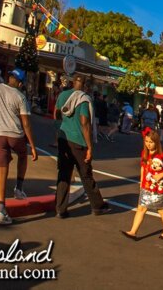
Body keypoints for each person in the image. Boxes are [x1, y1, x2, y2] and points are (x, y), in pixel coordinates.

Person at [0, 68, 38, 225]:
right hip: (15, 134)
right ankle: (19, 188)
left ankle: (1, 210)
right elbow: (26, 123)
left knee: (2, 171)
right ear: (20, 83)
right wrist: (33, 146)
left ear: (9, 78)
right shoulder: (21, 97)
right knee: (23, 154)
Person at [54, 75, 109, 218]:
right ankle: (97, 206)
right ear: (85, 86)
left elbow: (57, 114)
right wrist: (90, 146)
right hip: (78, 140)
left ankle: (60, 209)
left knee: (64, 173)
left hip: (63, 137)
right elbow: (84, 122)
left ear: (73, 83)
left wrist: (67, 122)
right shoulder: (84, 99)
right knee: (85, 174)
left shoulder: (63, 95)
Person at [121, 128, 163, 241]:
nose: (148, 144)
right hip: (146, 185)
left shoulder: (162, 155)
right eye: (146, 141)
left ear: (156, 142)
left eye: (151, 142)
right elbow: (143, 168)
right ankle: (133, 231)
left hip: (157, 188)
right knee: (141, 208)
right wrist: (141, 181)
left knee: (160, 209)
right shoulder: (145, 153)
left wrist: (161, 175)